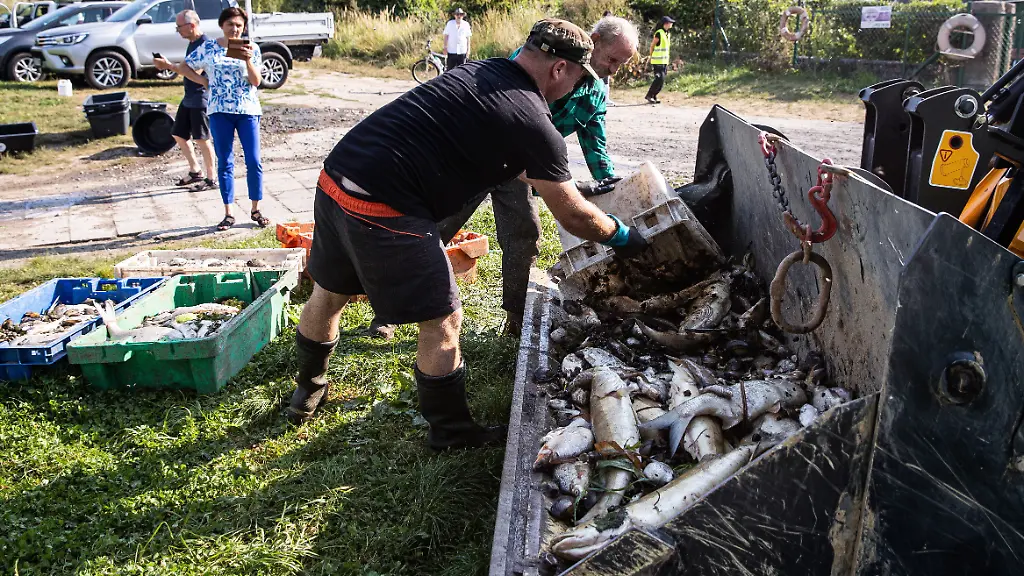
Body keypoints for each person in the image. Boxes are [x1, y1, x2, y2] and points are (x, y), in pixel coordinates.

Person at [286, 19, 649, 451]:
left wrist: (558, 179)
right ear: (558, 69)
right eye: (577, 77)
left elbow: (508, 159)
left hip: (337, 177)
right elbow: (575, 218)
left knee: (329, 293)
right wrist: (624, 236)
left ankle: (307, 390)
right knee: (443, 320)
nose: (577, 87)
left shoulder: (482, 70)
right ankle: (452, 432)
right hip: (386, 206)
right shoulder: (534, 119)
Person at [366, 15, 639, 340]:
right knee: (437, 226)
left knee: (524, 235)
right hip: (483, 156)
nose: (613, 70)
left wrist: (609, 185)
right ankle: (389, 310)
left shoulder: (595, 91)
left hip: (527, 166)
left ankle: (516, 319)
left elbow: (595, 140)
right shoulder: (541, 58)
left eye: (621, 64)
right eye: (612, 60)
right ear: (594, 41)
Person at [179, 7, 269, 231]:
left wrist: (248, 61)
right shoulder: (209, 47)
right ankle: (229, 213)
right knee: (225, 162)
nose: (235, 29)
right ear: (222, 25)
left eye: (239, 25)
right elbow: (185, 66)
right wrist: (203, 81)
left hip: (247, 110)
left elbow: (256, 81)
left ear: (244, 27)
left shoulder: (252, 48)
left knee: (254, 161)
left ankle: (256, 209)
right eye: (230, 24)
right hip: (219, 110)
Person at [154, 10, 216, 191]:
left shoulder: (205, 44)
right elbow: (185, 67)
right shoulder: (193, 42)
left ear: (191, 26)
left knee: (202, 139)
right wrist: (170, 65)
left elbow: (194, 71)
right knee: (178, 134)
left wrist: (168, 66)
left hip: (200, 98)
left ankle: (211, 178)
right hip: (189, 97)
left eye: (179, 27)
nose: (177, 30)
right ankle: (195, 171)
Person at [646, 15, 674, 104]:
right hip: (657, 61)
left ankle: (654, 96)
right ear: (665, 24)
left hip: (664, 61)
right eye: (670, 22)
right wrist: (651, 56)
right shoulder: (659, 33)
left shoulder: (667, 34)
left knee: (662, 81)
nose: (671, 24)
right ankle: (649, 95)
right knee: (659, 79)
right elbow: (652, 46)